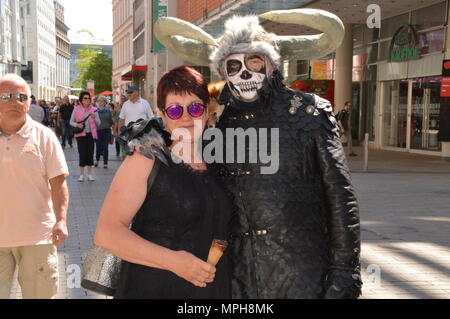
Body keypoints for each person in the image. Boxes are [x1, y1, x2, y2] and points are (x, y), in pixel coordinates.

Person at [155, 9, 362, 299]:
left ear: (271, 65)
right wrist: (150, 132)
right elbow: (180, 135)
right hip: (237, 277)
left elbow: (340, 198)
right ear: (223, 72)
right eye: (234, 66)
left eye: (254, 61)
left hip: (303, 273)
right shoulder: (219, 120)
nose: (245, 74)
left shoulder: (309, 113)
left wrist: (345, 272)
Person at [94, 66, 232, 299]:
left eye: (196, 108)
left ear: (207, 111)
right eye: (176, 110)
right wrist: (174, 261)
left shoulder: (218, 158)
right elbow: (107, 233)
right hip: (153, 287)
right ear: (162, 113)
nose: (187, 117)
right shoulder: (148, 156)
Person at [0, 74, 69, 299]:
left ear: (29, 102)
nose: (14, 102)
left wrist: (61, 220)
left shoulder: (45, 137)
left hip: (37, 236)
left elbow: (58, 183)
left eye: (21, 96)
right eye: (6, 96)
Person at [70, 91, 101, 182]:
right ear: (81, 100)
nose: (87, 100)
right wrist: (77, 125)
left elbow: (99, 124)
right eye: (85, 98)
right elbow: (71, 122)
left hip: (91, 135)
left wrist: (94, 117)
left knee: (90, 154)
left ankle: (90, 174)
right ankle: (81, 175)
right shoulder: (76, 109)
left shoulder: (94, 109)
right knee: (82, 153)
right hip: (80, 135)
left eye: (88, 98)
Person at [95, 96, 114, 168]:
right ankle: (97, 160)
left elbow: (111, 121)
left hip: (106, 130)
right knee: (98, 147)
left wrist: (110, 126)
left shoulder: (108, 110)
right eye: (99, 101)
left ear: (105, 102)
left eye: (101, 101)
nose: (100, 102)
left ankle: (105, 163)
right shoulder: (95, 110)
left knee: (105, 147)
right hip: (98, 131)